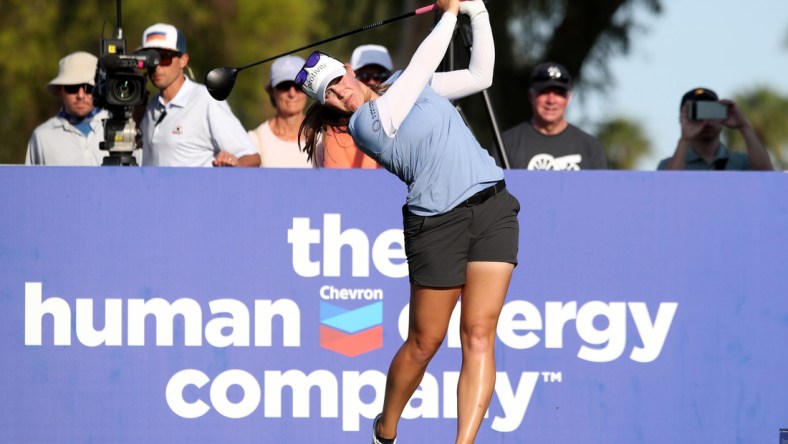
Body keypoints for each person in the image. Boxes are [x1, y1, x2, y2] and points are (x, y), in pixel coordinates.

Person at [296, 1, 519, 443]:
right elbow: (418, 71)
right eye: (330, 96)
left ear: (348, 69)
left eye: (339, 82)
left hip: (493, 207)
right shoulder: (365, 124)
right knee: (424, 343)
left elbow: (480, 76)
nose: (342, 94)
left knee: (478, 333)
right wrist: (449, 15)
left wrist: (477, 12)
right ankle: (386, 428)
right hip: (437, 225)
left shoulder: (401, 84)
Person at [138, 23, 260, 167]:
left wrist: (234, 165)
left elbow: (251, 157)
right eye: (150, 59)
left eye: (164, 57)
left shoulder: (206, 99)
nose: (157, 66)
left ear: (183, 60)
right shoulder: (150, 106)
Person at [501, 61, 608, 170]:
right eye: (543, 92)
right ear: (530, 96)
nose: (551, 100)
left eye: (559, 93)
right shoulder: (505, 144)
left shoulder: (592, 147)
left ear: (568, 97)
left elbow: (601, 186)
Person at [657, 87, 773, 170]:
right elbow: (669, 187)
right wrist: (685, 138)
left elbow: (767, 178)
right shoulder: (667, 165)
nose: (706, 120)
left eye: (711, 111)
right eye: (697, 113)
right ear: (682, 119)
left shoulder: (741, 162)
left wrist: (744, 125)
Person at [26, 51, 109, 165]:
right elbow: (31, 181)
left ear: (99, 89)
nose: (80, 95)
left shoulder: (123, 130)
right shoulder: (42, 136)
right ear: (60, 89)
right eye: (72, 88)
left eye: (89, 88)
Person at [313, 44, 390, 168]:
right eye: (364, 76)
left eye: (378, 76)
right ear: (352, 72)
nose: (371, 82)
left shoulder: (407, 104)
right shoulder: (331, 134)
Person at [247, 55, 312, 167]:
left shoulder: (323, 140)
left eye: (299, 86)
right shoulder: (254, 141)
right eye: (284, 86)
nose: (292, 93)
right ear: (271, 91)